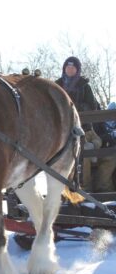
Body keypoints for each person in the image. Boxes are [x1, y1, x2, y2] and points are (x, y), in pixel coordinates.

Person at [55, 56, 102, 191]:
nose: (70, 69)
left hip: (84, 128)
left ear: (77, 70)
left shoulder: (84, 86)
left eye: (73, 67)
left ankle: (83, 187)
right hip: (61, 130)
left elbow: (92, 107)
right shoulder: (57, 85)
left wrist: (74, 108)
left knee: (84, 151)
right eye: (67, 67)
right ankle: (62, 188)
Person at [94, 102, 116, 192]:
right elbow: (99, 136)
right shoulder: (100, 122)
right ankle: (105, 191)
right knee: (108, 162)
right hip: (105, 149)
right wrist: (110, 136)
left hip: (111, 149)